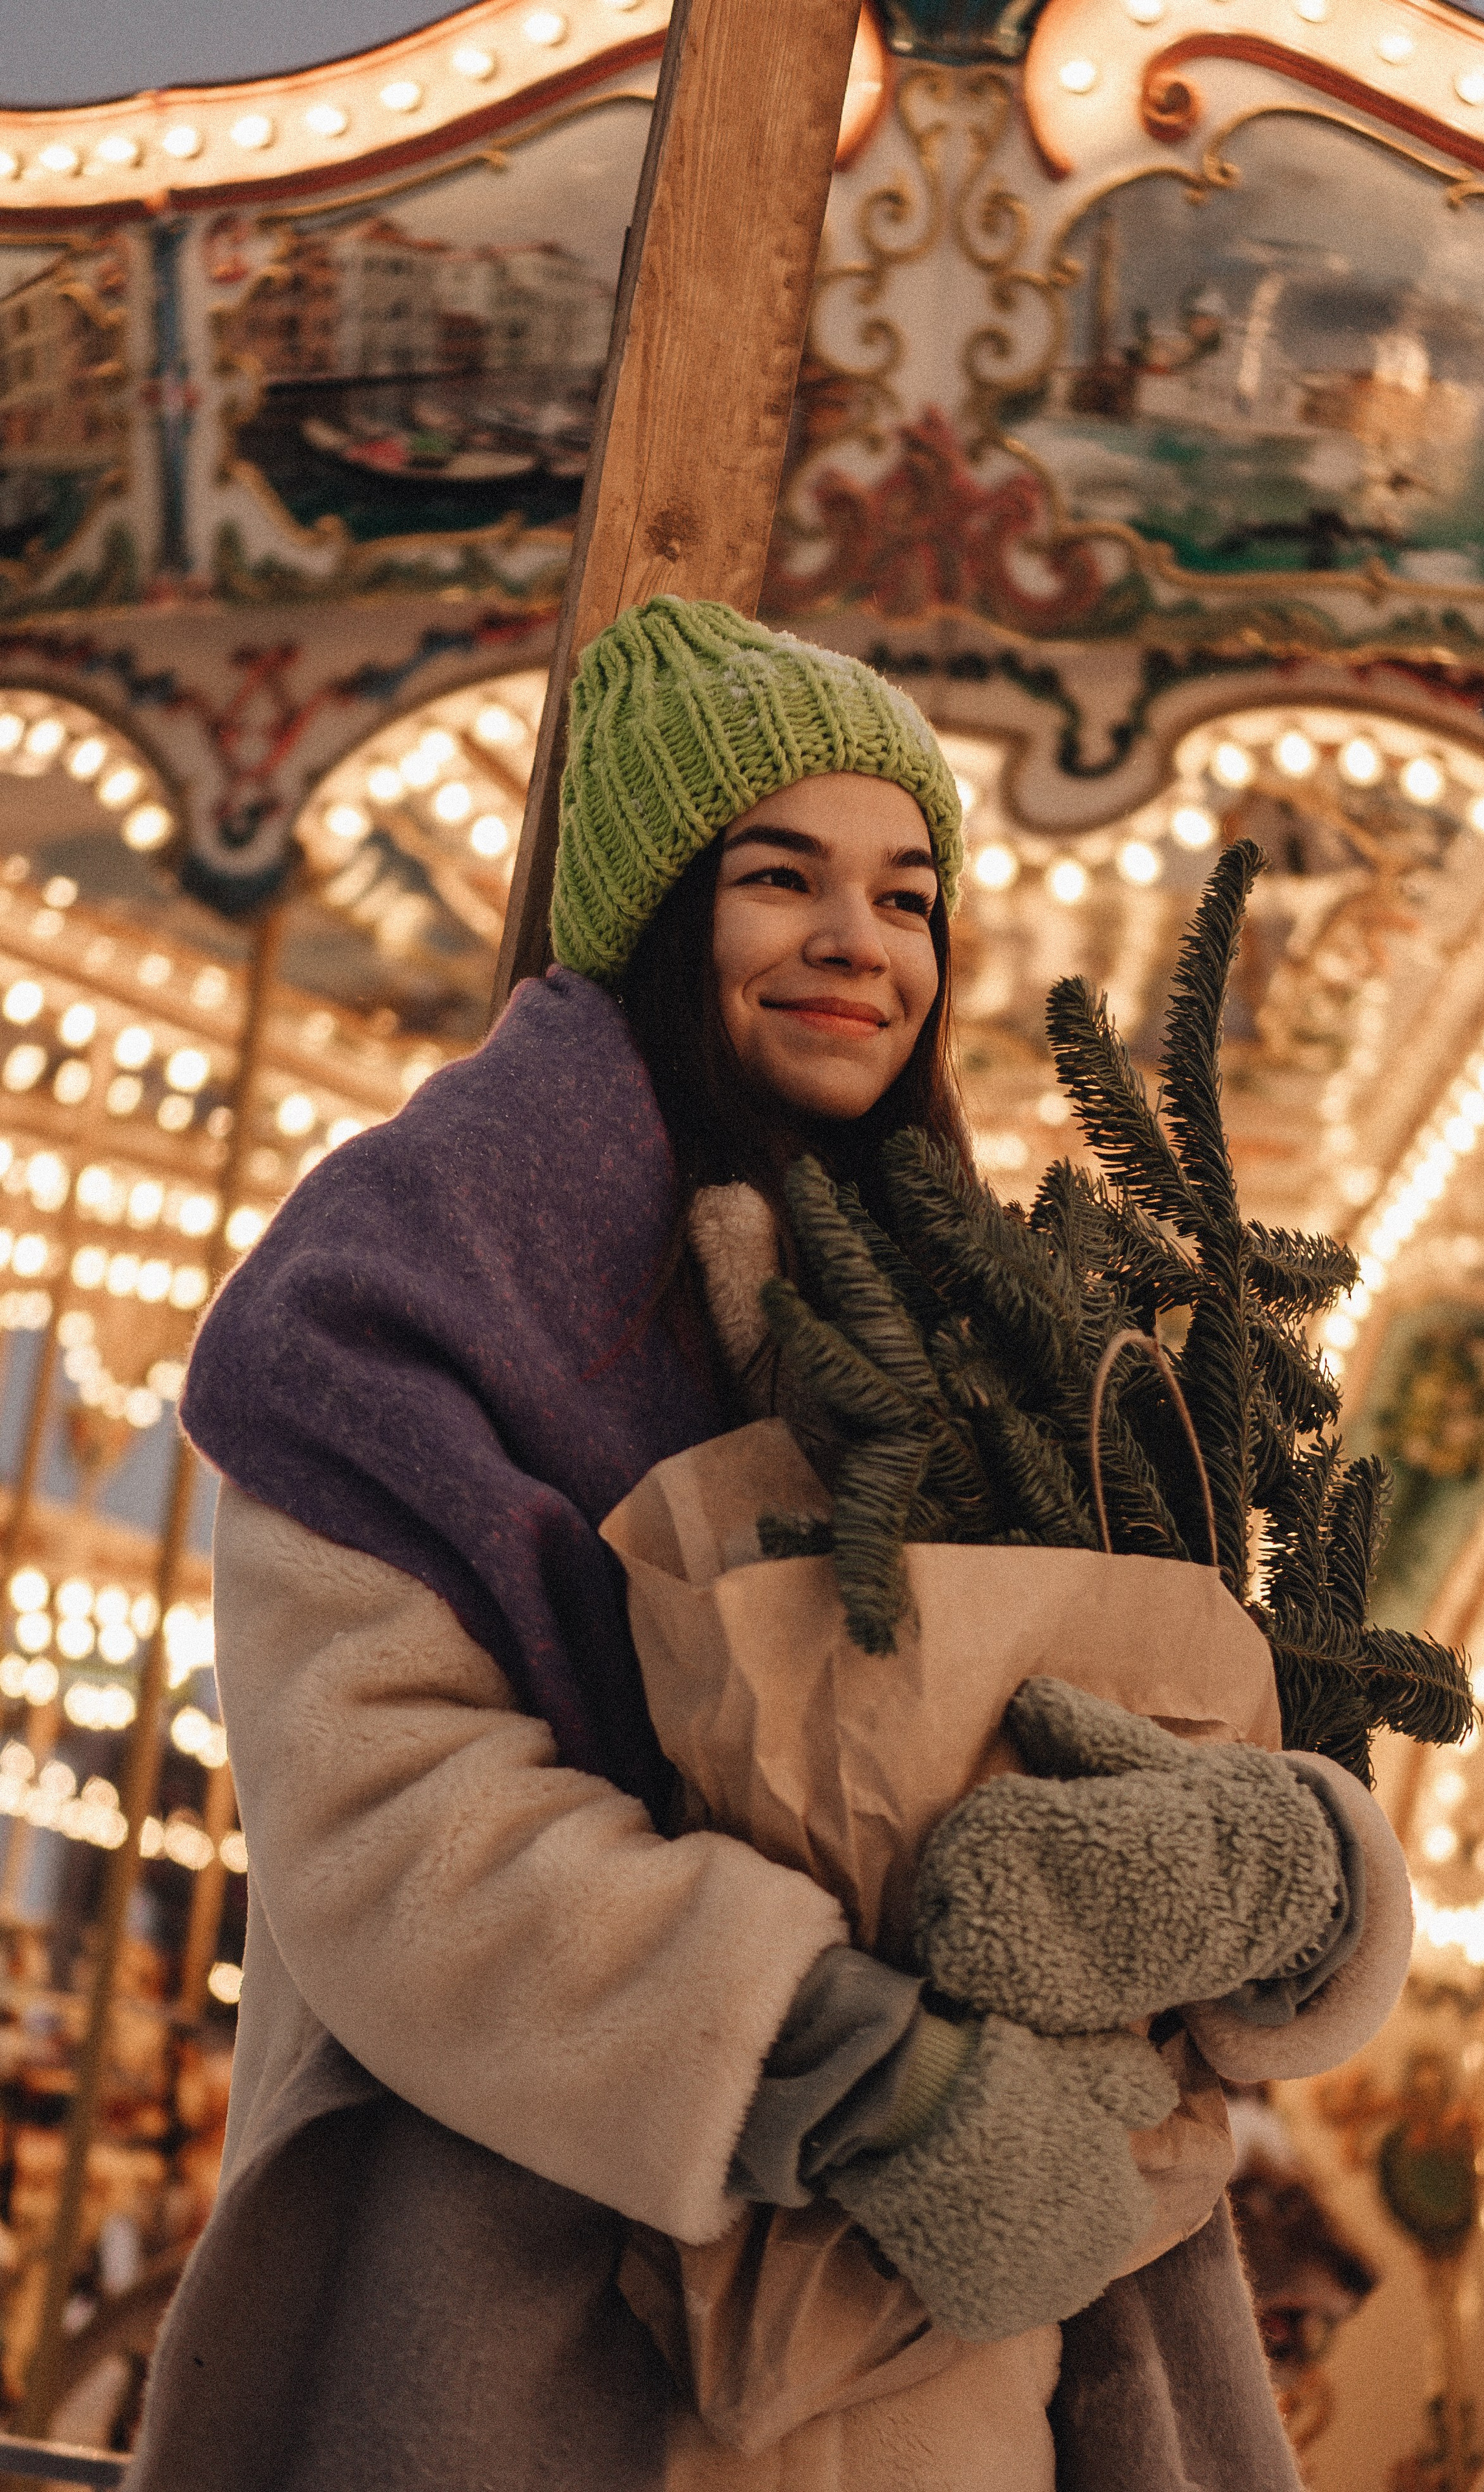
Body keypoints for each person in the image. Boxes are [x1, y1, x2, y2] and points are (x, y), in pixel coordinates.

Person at [124, 598, 1414, 2491]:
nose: (857, 944)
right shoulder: (414, 1289)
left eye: (907, 897)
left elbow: (1157, 1737)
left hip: (981, 2375)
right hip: (561, 2340)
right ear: (657, 912)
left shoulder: (991, 1309)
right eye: (780, 877)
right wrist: (852, 2065)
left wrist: (1299, 1876)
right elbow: (389, 1821)